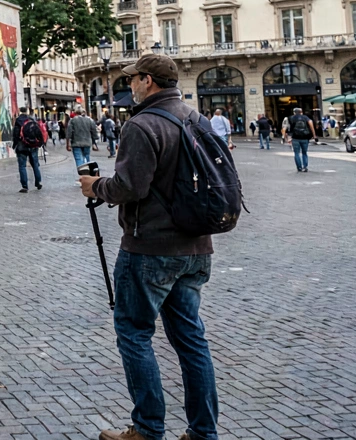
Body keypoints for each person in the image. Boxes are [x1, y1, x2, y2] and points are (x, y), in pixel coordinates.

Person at [77, 54, 218, 440]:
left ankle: (147, 429)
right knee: (191, 339)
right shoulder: (196, 119)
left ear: (149, 82)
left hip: (150, 248)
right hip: (196, 246)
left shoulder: (142, 125)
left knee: (134, 332)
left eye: (134, 79)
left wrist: (97, 187)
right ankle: (204, 432)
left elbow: (130, 188)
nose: (130, 86)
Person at [13, 107, 42, 193]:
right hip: (33, 145)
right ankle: (38, 182)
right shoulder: (32, 120)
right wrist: (39, 143)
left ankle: (25, 186)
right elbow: (38, 132)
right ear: (27, 112)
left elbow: (15, 134)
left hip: (22, 146)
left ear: (19, 111)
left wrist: (15, 145)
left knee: (22, 166)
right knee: (35, 165)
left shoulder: (18, 121)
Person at [282, 107, 314, 172]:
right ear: (301, 112)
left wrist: (285, 137)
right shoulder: (305, 117)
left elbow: (284, 129)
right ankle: (305, 167)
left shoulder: (290, 118)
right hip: (305, 137)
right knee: (304, 153)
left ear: (294, 112)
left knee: (296, 153)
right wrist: (314, 135)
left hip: (295, 138)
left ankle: (299, 167)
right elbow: (311, 123)